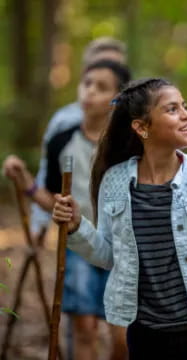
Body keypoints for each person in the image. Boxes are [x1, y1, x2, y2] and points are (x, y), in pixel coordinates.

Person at [51, 78, 187, 360]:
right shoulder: (116, 180)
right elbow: (110, 255)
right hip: (147, 333)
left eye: (184, 107)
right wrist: (76, 227)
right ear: (142, 127)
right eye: (172, 109)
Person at [3, 60, 131, 360]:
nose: (89, 92)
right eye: (86, 83)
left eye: (101, 87)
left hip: (125, 247)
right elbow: (52, 199)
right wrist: (27, 184)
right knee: (83, 327)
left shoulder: (128, 145)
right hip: (78, 242)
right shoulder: (62, 140)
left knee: (122, 337)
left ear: (118, 97)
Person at [31, 37, 127, 236]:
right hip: (80, 234)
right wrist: (39, 225)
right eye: (88, 82)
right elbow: (48, 178)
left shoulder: (133, 134)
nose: (91, 91)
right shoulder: (63, 124)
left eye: (114, 66)